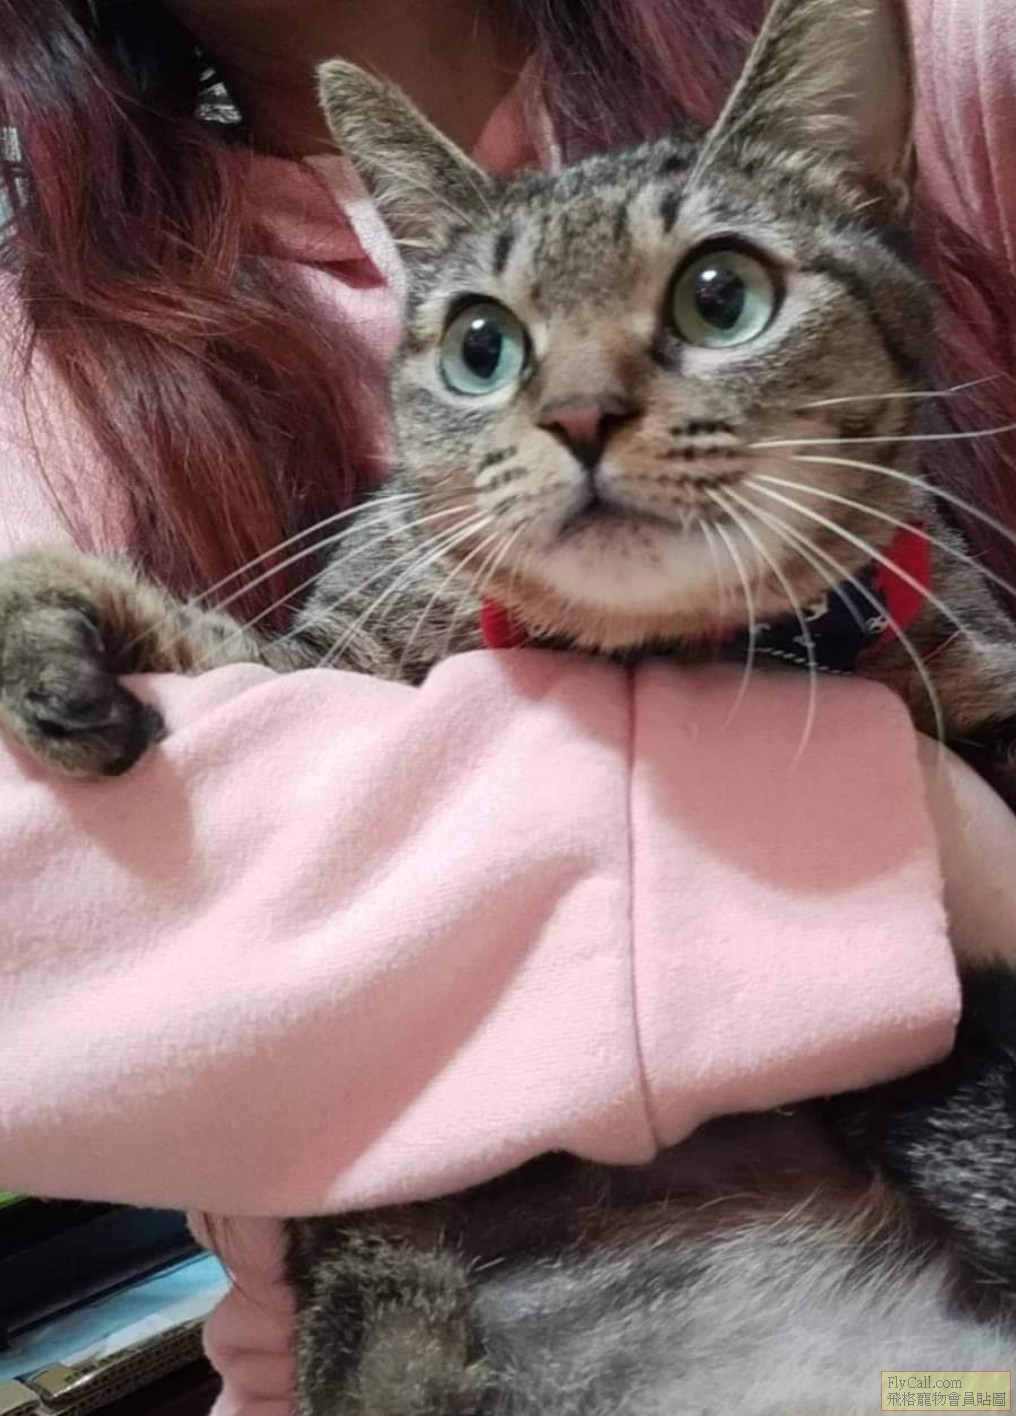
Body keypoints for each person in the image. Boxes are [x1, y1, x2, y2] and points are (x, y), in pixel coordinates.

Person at [0, 2, 1014, 1413]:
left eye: (717, 299)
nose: (583, 411)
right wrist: (924, 834)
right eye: (485, 346)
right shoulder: (50, 357)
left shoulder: (972, 49)